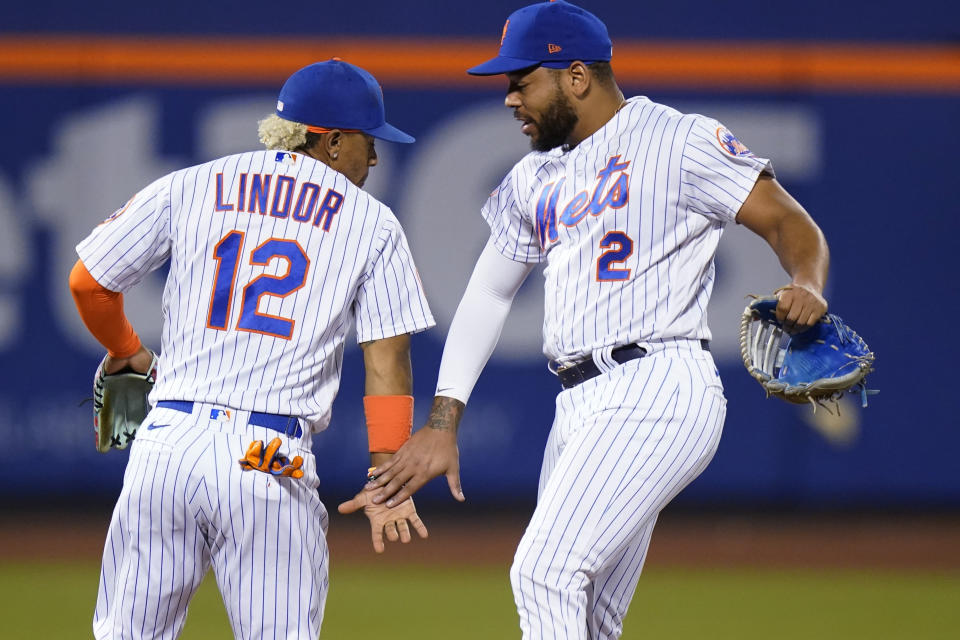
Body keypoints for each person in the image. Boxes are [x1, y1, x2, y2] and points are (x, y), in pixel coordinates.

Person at [364, 2, 830, 638]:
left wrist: (806, 281)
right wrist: (444, 422)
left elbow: (786, 219)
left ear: (576, 76)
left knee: (543, 572)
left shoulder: (679, 138)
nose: (509, 99)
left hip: (660, 385)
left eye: (521, 81)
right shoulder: (534, 177)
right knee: (585, 615)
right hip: (579, 407)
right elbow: (488, 297)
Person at [69, 58, 435, 640]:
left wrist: (130, 350)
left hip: (166, 444)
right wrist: (385, 477)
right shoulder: (373, 223)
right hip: (268, 458)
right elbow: (386, 362)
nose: (375, 157)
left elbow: (89, 283)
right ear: (332, 140)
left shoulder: (193, 182)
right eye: (369, 140)